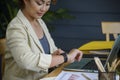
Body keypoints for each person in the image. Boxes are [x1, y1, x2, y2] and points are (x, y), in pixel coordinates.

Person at [3, 0, 83, 80]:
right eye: (39, 3)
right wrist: (65, 57)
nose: (44, 9)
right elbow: (26, 61)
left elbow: (53, 51)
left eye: (48, 4)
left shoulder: (40, 22)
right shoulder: (15, 27)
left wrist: (58, 56)